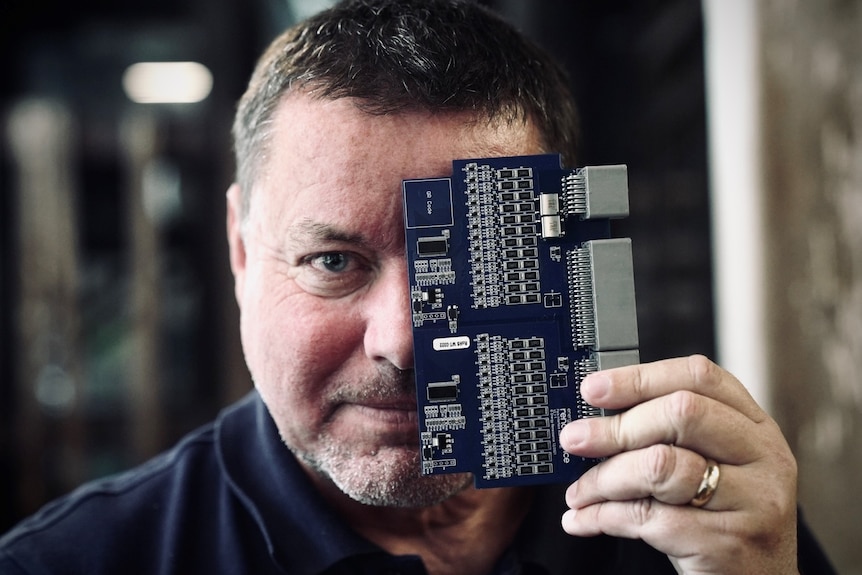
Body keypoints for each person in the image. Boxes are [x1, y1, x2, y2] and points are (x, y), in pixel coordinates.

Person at [0, 0, 836, 573]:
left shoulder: (707, 525)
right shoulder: (69, 564)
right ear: (241, 251)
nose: (403, 340)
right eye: (334, 262)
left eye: (473, 259)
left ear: (566, 258)